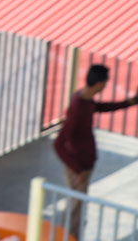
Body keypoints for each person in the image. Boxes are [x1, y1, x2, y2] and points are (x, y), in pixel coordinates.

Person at [55, 64, 138, 237]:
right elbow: (58, 143)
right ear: (100, 84)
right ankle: (68, 236)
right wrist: (78, 170)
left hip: (83, 164)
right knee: (75, 208)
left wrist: (128, 103)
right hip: (79, 166)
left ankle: (68, 234)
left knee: (76, 206)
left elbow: (100, 107)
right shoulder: (78, 108)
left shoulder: (84, 99)